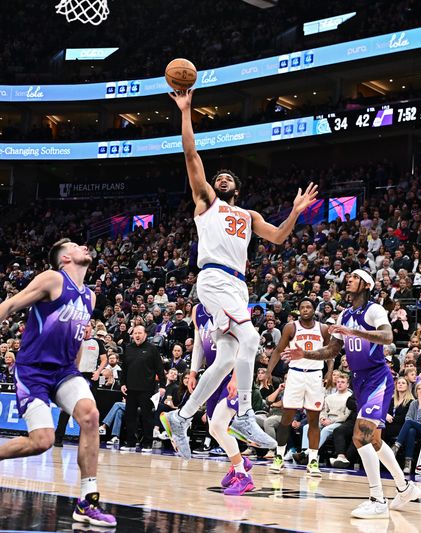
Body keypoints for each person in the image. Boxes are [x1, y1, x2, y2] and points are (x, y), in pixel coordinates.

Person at [162, 88, 317, 458]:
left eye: (229, 177)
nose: (223, 179)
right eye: (219, 177)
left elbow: (278, 237)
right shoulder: (207, 203)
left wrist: (295, 211)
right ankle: (245, 412)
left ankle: (182, 417)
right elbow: (191, 155)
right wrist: (186, 111)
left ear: (238, 187)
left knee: (229, 358)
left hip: (237, 284)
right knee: (250, 341)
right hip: (214, 278)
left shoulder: (248, 216)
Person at [0, 239, 115, 527]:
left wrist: (75, 377)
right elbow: (11, 304)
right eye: (77, 246)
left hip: (64, 371)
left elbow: (76, 337)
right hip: (33, 371)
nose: (84, 248)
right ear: (65, 258)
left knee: (90, 415)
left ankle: (87, 500)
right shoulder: (53, 279)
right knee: (43, 442)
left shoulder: (89, 296)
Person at [283, 270, 421, 519]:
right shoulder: (345, 315)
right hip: (359, 380)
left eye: (354, 277)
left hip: (378, 378)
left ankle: (377, 499)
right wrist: (305, 354)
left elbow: (388, 337)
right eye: (347, 278)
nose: (348, 280)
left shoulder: (374, 310)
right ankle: (404, 487)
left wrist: (353, 333)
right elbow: (332, 350)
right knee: (375, 441)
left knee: (361, 437)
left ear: (366, 284)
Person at [185, 303, 255, 495]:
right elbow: (199, 343)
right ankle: (239, 461)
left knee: (218, 424)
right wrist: (193, 372)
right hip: (214, 373)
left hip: (235, 373)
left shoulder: (232, 305)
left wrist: (236, 376)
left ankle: (243, 475)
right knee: (213, 427)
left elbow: (245, 344)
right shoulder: (197, 310)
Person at [265, 298, 332, 477]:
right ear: (298, 310)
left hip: (315, 375)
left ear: (313, 310)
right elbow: (279, 350)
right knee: (286, 418)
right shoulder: (291, 327)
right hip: (295, 374)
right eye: (302, 307)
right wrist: (269, 371)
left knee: (313, 419)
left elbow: (330, 351)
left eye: (308, 306)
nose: (305, 309)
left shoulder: (323, 328)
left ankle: (313, 460)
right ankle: (279, 456)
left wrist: (330, 371)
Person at [55, 322, 106, 447]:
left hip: (90, 377)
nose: (85, 328)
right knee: (66, 409)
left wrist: (98, 371)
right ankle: (58, 438)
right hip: (74, 375)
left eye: (88, 326)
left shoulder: (98, 342)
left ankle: (85, 439)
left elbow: (104, 359)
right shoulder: (73, 341)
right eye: (84, 326)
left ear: (92, 329)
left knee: (88, 410)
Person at [119, 325, 166, 452]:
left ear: (145, 334)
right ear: (132, 335)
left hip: (147, 389)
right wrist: (122, 383)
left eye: (140, 333)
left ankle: (147, 443)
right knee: (130, 417)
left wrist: (162, 386)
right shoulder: (128, 348)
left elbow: (159, 369)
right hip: (130, 389)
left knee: (147, 417)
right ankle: (130, 443)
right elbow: (124, 369)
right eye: (135, 333)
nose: (137, 335)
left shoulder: (152, 349)